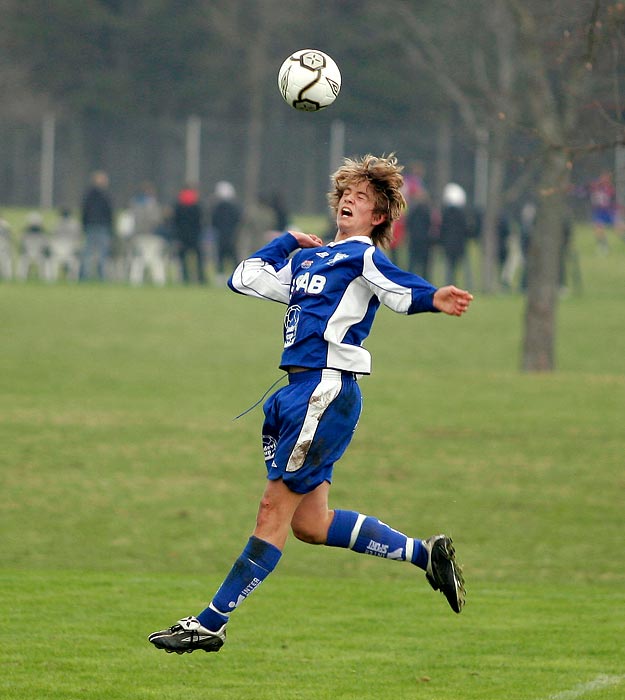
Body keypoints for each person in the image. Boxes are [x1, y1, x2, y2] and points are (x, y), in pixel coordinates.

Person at [148, 154, 473, 655]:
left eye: (362, 198)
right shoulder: (309, 259)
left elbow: (397, 289)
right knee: (309, 525)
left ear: (379, 216)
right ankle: (424, 554)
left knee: (270, 512)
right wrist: (287, 242)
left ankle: (212, 621)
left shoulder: (362, 257)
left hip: (325, 390)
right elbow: (244, 277)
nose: (349, 200)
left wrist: (435, 298)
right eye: (346, 193)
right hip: (294, 395)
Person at [79, 170, 114, 281]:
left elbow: (84, 212)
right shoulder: (104, 196)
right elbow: (109, 213)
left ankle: (85, 276)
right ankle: (100, 276)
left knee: (90, 253)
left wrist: (84, 225)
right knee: (99, 254)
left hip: (93, 226)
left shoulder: (88, 195)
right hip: (100, 227)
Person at [172, 183, 205, 284]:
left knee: (182, 258)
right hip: (195, 235)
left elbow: (175, 222)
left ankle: (185, 277)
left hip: (182, 236)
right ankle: (200, 277)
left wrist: (177, 236)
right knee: (198, 258)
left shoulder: (178, 204)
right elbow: (200, 221)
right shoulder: (196, 204)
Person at [438, 183, 470, 285]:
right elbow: (466, 230)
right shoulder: (462, 215)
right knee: (465, 267)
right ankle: (468, 284)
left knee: (449, 268)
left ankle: (449, 284)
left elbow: (442, 230)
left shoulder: (445, 214)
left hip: (448, 245)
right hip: (460, 244)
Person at [211, 181, 242, 278]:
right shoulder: (235, 208)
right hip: (232, 236)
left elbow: (214, 221)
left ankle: (220, 276)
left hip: (221, 236)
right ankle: (238, 276)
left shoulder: (217, 208)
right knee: (233, 257)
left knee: (221, 257)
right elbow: (238, 221)